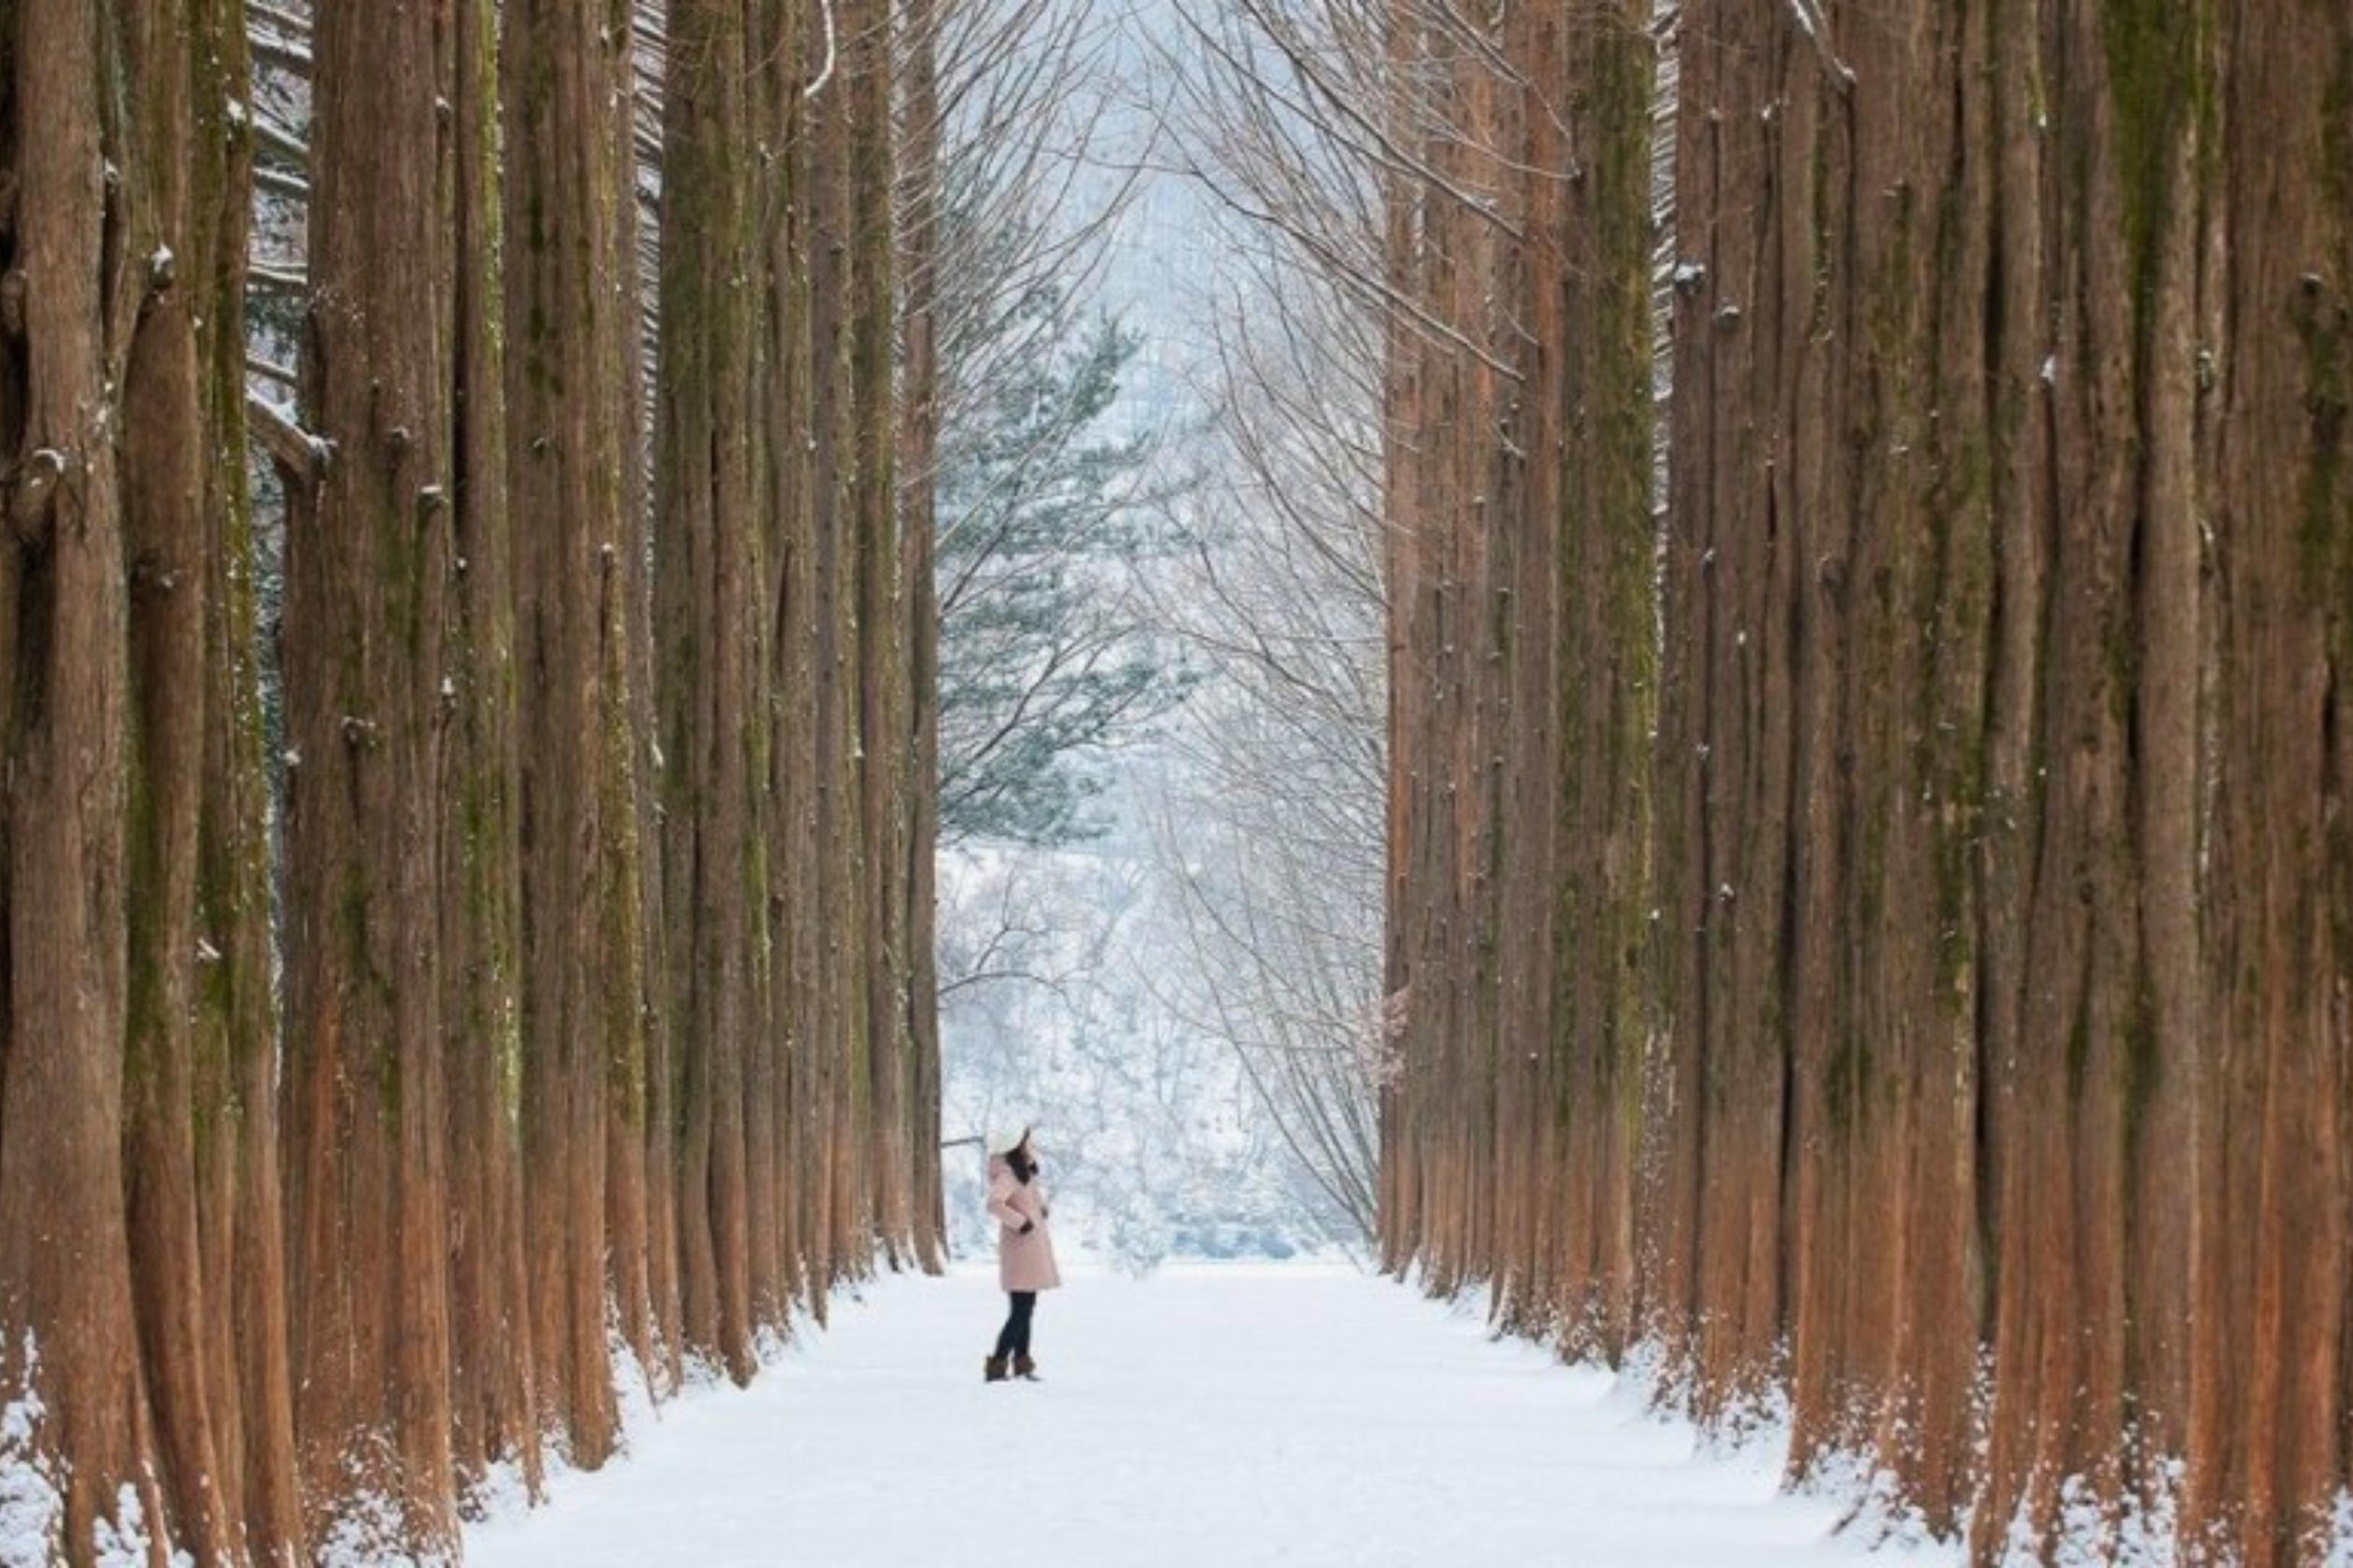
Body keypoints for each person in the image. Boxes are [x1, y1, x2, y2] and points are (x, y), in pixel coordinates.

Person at [984, 1124, 1059, 1383]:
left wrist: (1040, 1209)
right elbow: (994, 1203)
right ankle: (998, 1364)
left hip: (1029, 1246)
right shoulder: (1009, 1172)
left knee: (1025, 1308)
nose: (1030, 1143)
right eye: (1026, 1140)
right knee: (1021, 1310)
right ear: (1016, 1144)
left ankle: (1022, 1363)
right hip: (1022, 1246)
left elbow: (1025, 1199)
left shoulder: (1023, 1170)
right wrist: (1022, 1222)